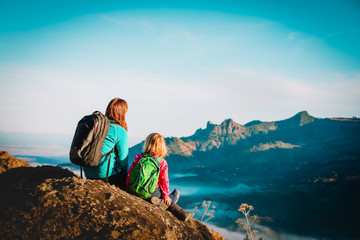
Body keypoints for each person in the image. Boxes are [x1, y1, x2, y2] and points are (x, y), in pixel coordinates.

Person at [126, 133, 194, 221]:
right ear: (162, 147)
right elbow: (164, 181)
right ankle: (181, 212)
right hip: (151, 192)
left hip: (135, 188)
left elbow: (130, 173)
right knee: (169, 199)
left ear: (147, 144)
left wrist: (128, 186)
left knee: (165, 196)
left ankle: (161, 200)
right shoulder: (161, 162)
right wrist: (165, 196)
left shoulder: (139, 158)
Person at [83, 98, 129, 189]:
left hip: (88, 171)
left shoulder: (97, 125)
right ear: (122, 113)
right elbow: (123, 160)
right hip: (105, 175)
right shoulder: (119, 130)